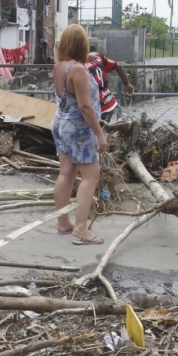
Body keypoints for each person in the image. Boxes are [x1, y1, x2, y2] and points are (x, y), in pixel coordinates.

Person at [51, 23, 107, 245]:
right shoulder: (79, 71)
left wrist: (90, 56)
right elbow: (85, 106)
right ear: (82, 44)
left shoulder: (60, 66)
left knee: (66, 173)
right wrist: (99, 134)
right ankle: (81, 229)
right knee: (91, 176)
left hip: (60, 122)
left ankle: (63, 222)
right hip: (78, 127)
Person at [85, 47, 135, 133]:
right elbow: (117, 65)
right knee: (101, 131)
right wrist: (127, 84)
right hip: (109, 102)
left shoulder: (77, 65)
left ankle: (123, 126)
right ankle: (124, 126)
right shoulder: (98, 56)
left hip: (98, 105)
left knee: (96, 132)